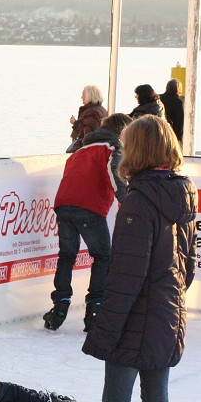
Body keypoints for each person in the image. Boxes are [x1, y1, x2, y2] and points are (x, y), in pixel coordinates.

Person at [59, 115, 197, 402]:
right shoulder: (182, 192)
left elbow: (126, 275)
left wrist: (103, 330)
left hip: (137, 318)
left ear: (134, 151)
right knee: (157, 398)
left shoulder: (138, 201)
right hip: (167, 314)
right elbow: (187, 265)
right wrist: (167, 303)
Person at [43, 113, 133, 332]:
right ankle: (95, 308)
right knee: (103, 256)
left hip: (63, 205)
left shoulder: (79, 150)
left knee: (66, 256)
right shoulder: (112, 148)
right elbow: (116, 176)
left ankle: (60, 305)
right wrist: (129, 204)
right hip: (89, 208)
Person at [68, 84, 107, 152]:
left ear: (90, 96)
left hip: (86, 151)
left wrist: (75, 123)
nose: (81, 97)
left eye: (83, 95)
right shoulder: (101, 109)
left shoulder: (92, 112)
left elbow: (88, 134)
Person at [159, 78, 184, 143]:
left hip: (159, 131)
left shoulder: (159, 98)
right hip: (171, 134)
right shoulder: (178, 102)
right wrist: (178, 138)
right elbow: (179, 122)